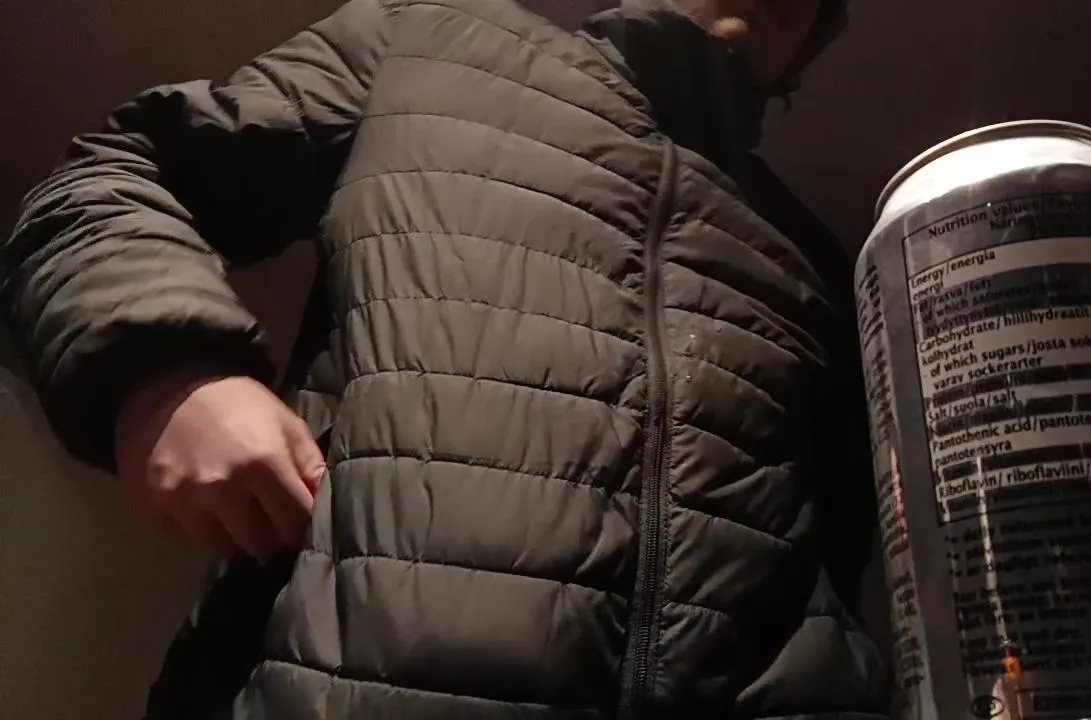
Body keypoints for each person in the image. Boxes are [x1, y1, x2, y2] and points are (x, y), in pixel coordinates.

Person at [0, 0, 886, 717]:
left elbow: (847, 560)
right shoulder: (422, 44)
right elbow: (118, 175)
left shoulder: (822, 261)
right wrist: (167, 368)